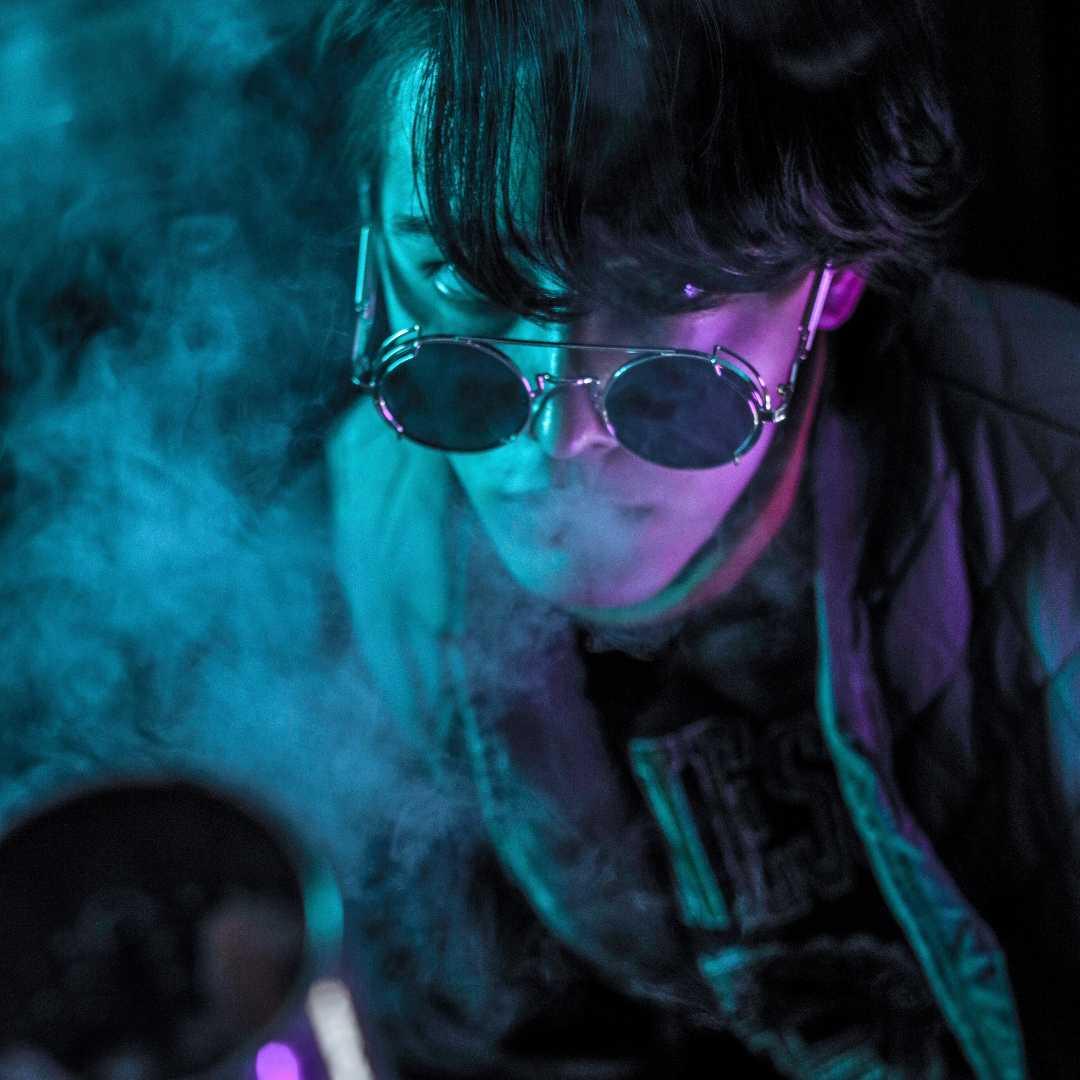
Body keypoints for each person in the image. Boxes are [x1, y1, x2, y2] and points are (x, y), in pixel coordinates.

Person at [311, 1, 1080, 1077]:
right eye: (460, 276)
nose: (556, 438)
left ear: (837, 278)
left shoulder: (1059, 497)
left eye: (666, 292)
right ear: (370, 233)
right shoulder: (392, 515)